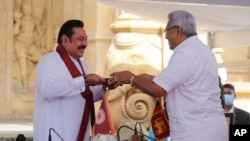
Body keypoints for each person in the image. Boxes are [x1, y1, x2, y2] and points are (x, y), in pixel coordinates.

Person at [108, 10, 228, 141]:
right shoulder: (203, 50)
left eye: (167, 31)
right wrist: (138, 78)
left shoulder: (185, 53)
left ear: (178, 30)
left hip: (194, 132)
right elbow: (172, 81)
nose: (165, 36)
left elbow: (157, 89)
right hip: (212, 129)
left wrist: (131, 78)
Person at [33, 19, 110, 141]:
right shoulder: (48, 61)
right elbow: (47, 91)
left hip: (80, 133)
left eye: (86, 39)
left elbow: (87, 95)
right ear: (64, 40)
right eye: (80, 39)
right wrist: (84, 80)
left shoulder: (82, 64)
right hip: (55, 134)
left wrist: (105, 86)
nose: (85, 43)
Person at [13, 0, 45, 88]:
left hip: (30, 44)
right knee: (22, 62)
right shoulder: (21, 20)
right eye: (26, 8)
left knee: (41, 58)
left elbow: (40, 33)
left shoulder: (35, 20)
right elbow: (14, 33)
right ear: (23, 9)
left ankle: (30, 59)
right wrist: (17, 22)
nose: (28, 10)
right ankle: (25, 83)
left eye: (29, 7)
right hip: (20, 42)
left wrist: (41, 44)